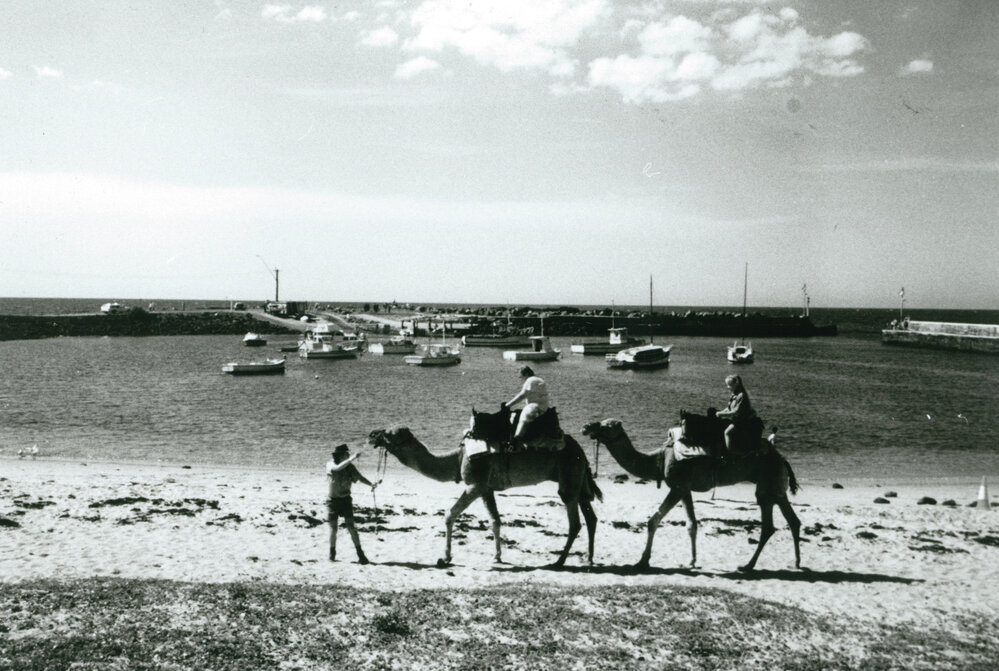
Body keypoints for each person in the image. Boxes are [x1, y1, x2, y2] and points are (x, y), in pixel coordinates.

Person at [325, 443, 377, 564]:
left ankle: (361, 554)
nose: (348, 455)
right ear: (341, 455)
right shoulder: (330, 464)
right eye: (346, 453)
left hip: (346, 500)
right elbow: (337, 469)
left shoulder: (350, 467)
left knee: (352, 527)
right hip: (332, 501)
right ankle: (332, 553)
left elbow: (359, 477)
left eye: (348, 454)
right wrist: (352, 458)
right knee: (333, 529)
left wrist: (371, 484)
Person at [715, 374, 761, 453]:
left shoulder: (741, 396)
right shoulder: (734, 395)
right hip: (737, 419)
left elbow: (736, 412)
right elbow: (729, 408)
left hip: (743, 420)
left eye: (729, 385)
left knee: (727, 432)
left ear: (735, 385)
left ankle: (731, 453)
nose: (727, 387)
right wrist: (720, 412)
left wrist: (722, 415)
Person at [505, 366, 550, 440]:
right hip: (544, 407)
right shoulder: (539, 379)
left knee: (523, 420)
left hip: (535, 406)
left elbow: (522, 395)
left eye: (521, 376)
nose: (521, 379)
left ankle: (516, 439)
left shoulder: (530, 380)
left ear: (526, 374)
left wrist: (508, 405)